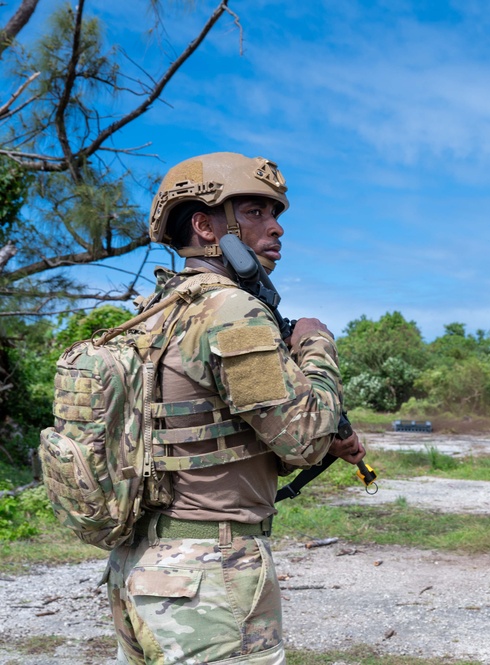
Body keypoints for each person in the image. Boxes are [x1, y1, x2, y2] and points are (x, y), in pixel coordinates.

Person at [104, 151, 363, 664]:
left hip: (138, 566)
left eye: (276, 214)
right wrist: (315, 347)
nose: (275, 228)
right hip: (208, 576)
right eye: (253, 212)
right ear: (205, 226)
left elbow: (210, 433)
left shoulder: (153, 314)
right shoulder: (231, 310)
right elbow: (304, 438)